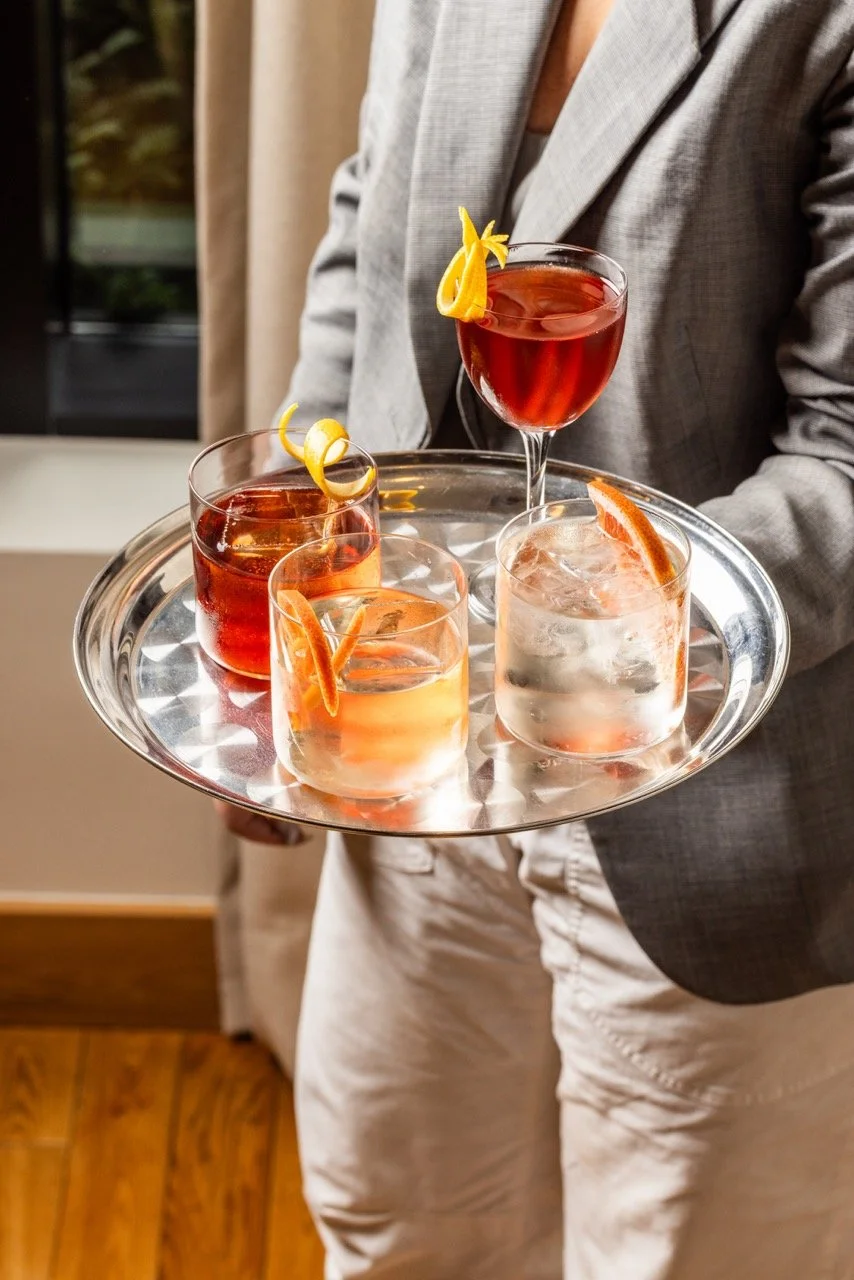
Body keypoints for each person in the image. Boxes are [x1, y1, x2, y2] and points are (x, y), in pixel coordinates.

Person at [230, 1, 854, 1275]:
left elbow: (844, 453)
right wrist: (300, 600)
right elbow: (370, 225)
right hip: (412, 757)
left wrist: (585, 615)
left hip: (710, 797)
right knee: (398, 1223)